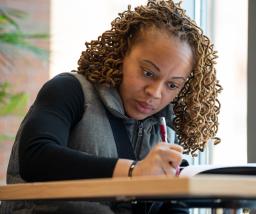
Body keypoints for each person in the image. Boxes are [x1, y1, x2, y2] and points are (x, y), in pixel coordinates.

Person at [1, 0, 222, 213]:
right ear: (121, 53)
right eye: (147, 73)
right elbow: (35, 158)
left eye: (172, 85)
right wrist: (134, 171)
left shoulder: (166, 128)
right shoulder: (69, 89)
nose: (155, 93)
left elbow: (172, 205)